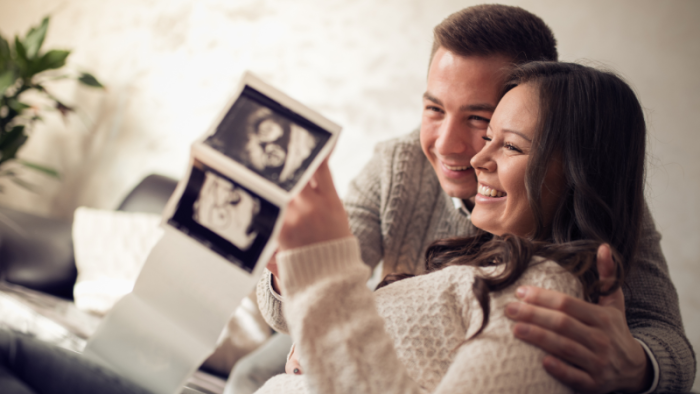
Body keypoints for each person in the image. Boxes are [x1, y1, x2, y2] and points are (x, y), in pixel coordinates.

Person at [252, 5, 695, 394]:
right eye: (433, 109)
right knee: (250, 371)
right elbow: (295, 302)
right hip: (356, 341)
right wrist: (285, 270)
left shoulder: (584, 216)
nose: (448, 145)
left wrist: (635, 365)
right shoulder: (397, 165)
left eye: (480, 119)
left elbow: (665, 337)